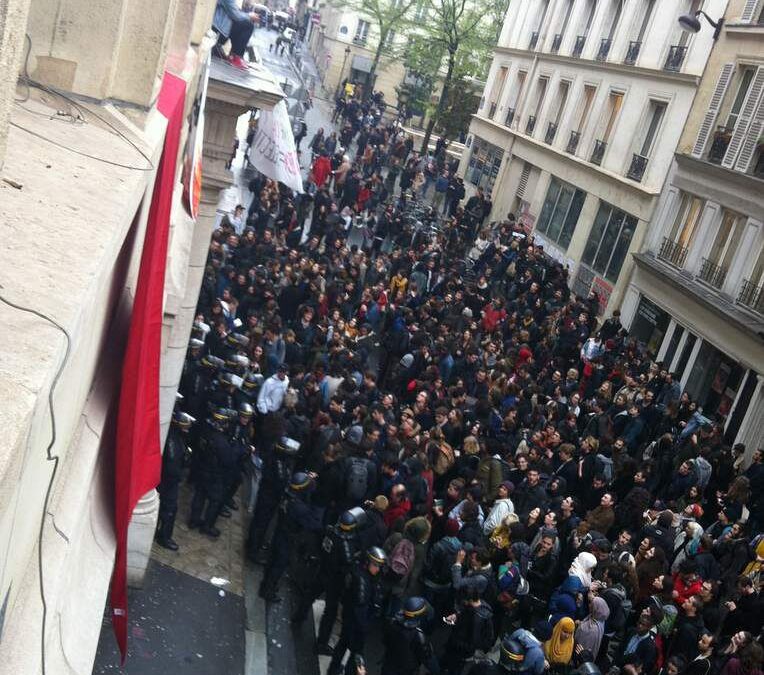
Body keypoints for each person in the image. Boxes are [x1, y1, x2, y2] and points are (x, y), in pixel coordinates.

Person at [327, 547, 387, 674]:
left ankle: (333, 670)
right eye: (375, 565)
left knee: (342, 646)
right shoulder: (362, 582)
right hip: (356, 624)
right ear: (367, 563)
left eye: (379, 566)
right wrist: (363, 627)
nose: (377, 569)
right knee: (355, 654)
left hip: (350, 618)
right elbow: (361, 607)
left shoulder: (359, 572)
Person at [156, 410, 194, 550]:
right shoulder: (173, 440)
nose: (186, 429)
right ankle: (164, 537)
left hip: (167, 479)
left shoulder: (176, 437)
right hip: (168, 480)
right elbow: (172, 465)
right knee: (170, 509)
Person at [211, 0, 259, 70]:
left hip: (218, 29)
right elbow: (235, 15)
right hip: (218, 30)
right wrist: (249, 16)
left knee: (245, 22)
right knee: (248, 25)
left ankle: (233, 56)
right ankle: (236, 56)